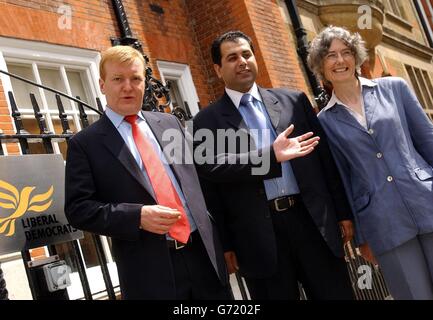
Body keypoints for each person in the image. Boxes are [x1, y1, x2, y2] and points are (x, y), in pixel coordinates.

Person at [192, 30, 354, 300]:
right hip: (257, 239)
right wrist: (270, 157)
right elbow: (212, 172)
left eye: (247, 54)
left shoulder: (295, 101)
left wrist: (342, 212)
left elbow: (325, 160)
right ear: (218, 69)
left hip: (312, 223)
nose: (242, 61)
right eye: (232, 58)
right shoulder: (207, 121)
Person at [64, 45, 232, 300]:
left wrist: (225, 244)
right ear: (102, 84)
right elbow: (78, 210)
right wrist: (137, 216)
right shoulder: (85, 144)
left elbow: (203, 180)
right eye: (118, 79)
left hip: (204, 257)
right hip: (150, 271)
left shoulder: (169, 123)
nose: (128, 87)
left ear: (145, 83)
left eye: (135, 79)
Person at [308, 26, 433, 300]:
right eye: (330, 56)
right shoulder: (324, 122)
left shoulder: (395, 88)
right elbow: (342, 179)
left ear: (356, 57)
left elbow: (428, 142)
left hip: (427, 201)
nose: (340, 61)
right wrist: (362, 236)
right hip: (383, 224)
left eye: (346, 53)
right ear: (320, 65)